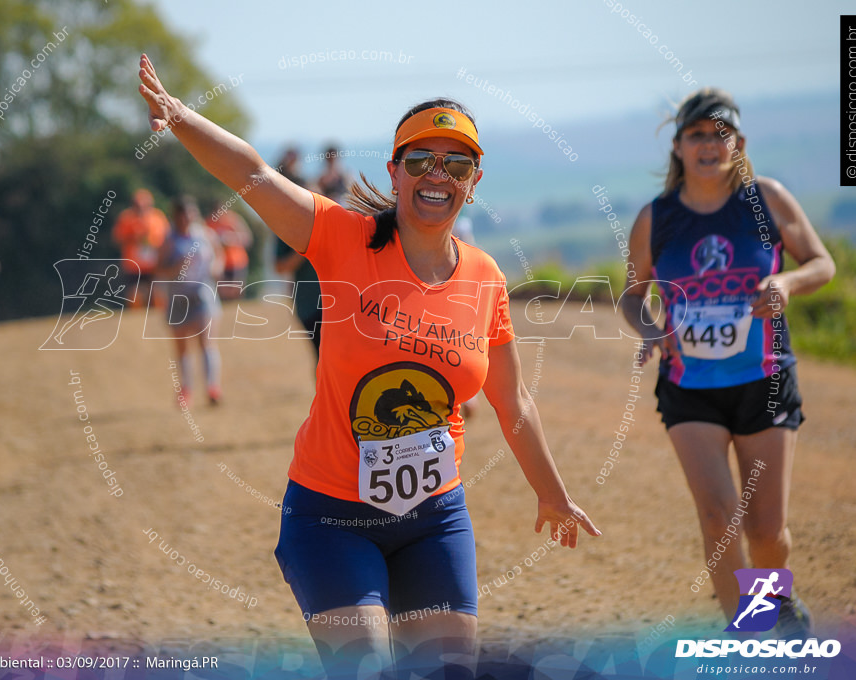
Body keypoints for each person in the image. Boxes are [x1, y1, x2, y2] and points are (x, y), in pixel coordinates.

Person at [139, 54, 599, 679]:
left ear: (474, 179)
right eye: (421, 160)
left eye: (456, 163)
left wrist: (553, 494)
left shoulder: (486, 278)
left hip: (435, 519)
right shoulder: (342, 237)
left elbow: (512, 402)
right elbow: (252, 174)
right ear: (395, 169)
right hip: (331, 517)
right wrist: (182, 117)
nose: (438, 174)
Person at [621, 88, 835, 637]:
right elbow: (630, 295)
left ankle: (773, 600)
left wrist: (785, 282)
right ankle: (752, 634)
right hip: (689, 387)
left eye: (722, 136)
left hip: (763, 380)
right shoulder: (658, 218)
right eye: (698, 135)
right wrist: (652, 327)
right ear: (678, 147)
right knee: (719, 517)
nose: (710, 145)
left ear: (738, 144)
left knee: (766, 531)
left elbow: (821, 263)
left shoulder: (766, 201)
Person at [156, 195, 225, 406]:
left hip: (202, 293)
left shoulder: (204, 234)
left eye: (190, 214)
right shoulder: (169, 240)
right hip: (177, 296)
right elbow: (158, 269)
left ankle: (212, 388)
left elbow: (218, 255)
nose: (187, 218)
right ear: (175, 216)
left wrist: (216, 269)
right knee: (182, 347)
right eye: (183, 215)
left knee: (206, 342)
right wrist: (175, 268)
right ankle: (186, 389)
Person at [273, 147, 322, 361]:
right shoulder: (286, 227)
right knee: (322, 358)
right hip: (309, 304)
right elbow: (280, 266)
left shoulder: (327, 223)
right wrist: (305, 247)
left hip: (337, 303)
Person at [112, 188, 170, 308]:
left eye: (145, 205)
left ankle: (157, 322)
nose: (141, 208)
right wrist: (134, 237)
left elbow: (167, 238)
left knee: (157, 296)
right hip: (134, 266)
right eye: (137, 205)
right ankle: (137, 323)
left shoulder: (158, 217)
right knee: (135, 297)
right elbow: (118, 238)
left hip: (155, 264)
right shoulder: (126, 218)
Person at [206, 206, 252, 301]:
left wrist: (230, 238)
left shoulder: (234, 219)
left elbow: (247, 239)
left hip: (237, 262)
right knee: (222, 293)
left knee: (236, 292)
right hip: (220, 263)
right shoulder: (209, 223)